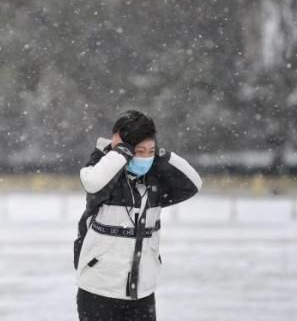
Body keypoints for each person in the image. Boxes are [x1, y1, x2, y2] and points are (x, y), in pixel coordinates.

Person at [74, 110, 202, 321]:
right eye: (139, 151)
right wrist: (120, 151)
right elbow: (94, 182)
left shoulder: (155, 183)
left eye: (150, 151)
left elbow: (194, 183)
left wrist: (162, 155)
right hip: (98, 290)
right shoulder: (105, 174)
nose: (145, 157)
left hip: (141, 292)